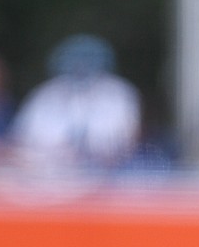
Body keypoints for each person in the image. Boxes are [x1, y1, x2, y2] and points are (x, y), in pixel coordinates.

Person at [10, 34, 141, 174]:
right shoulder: (44, 94)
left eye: (87, 59)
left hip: (108, 177)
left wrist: (85, 156)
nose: (80, 65)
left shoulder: (119, 92)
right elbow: (18, 142)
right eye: (74, 59)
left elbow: (126, 142)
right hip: (46, 178)